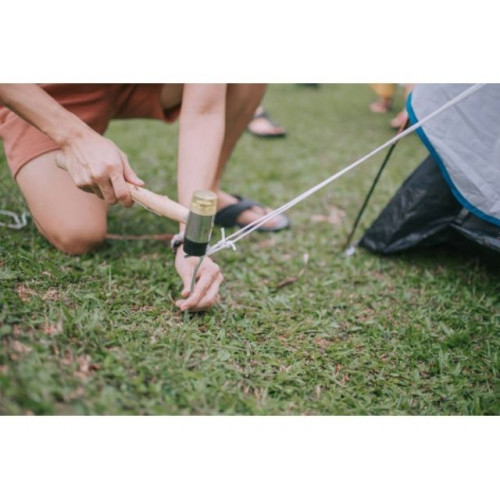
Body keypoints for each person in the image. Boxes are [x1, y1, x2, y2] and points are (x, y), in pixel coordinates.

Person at [0, 84, 290, 312]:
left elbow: (205, 110)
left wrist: (190, 241)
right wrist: (75, 138)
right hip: (46, 92)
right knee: (78, 234)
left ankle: (208, 191)